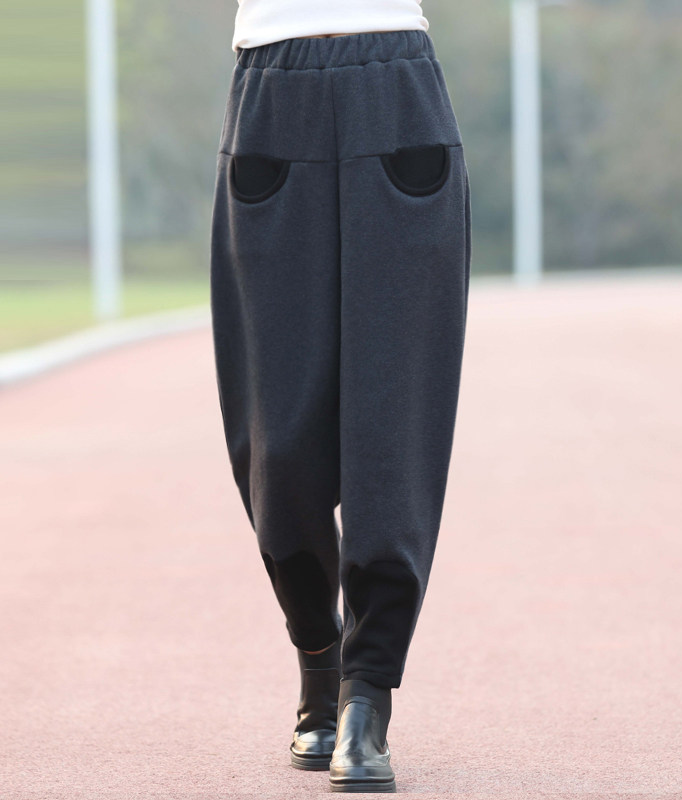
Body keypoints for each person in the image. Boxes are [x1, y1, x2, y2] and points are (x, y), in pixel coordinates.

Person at [209, 0, 471, 792]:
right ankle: (318, 655)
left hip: (396, 86)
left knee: (392, 430)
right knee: (277, 442)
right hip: (271, 90)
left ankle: (367, 696)